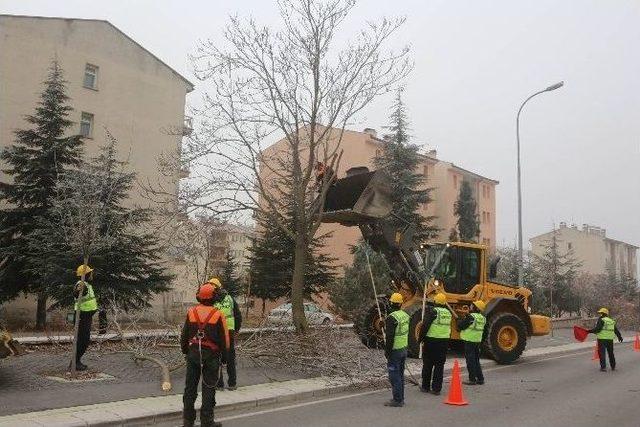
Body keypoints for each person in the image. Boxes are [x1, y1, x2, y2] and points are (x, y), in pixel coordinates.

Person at [180, 283, 229, 427]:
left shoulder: (191, 312)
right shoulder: (218, 314)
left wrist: (186, 351)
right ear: (215, 297)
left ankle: (188, 421)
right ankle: (207, 422)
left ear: (199, 296)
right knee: (208, 388)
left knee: (190, 388)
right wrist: (224, 359)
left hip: (193, 354)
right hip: (211, 356)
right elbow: (225, 339)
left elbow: (184, 336)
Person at [208, 277, 243, 391]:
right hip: (229, 331)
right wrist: (236, 329)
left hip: (216, 333)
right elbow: (238, 315)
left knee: (217, 357)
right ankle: (232, 384)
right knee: (230, 357)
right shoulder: (230, 298)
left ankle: (219, 384)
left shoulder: (211, 300)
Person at [420, 292, 451, 395]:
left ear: (435, 301)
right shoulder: (448, 313)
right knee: (439, 366)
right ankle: (436, 389)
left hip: (431, 341)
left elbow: (425, 326)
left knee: (428, 364)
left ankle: (425, 386)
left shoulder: (433, 312)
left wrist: (421, 338)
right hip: (443, 342)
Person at [384, 292, 410, 407]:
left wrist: (387, 352)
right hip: (403, 349)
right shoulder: (405, 315)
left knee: (394, 376)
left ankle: (397, 400)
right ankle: (401, 397)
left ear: (391, 303)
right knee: (400, 374)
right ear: (400, 304)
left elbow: (390, 337)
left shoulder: (392, 318)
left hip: (394, 351)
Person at [72, 264, 98, 371]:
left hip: (86, 316)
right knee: (83, 341)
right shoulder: (81, 284)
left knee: (84, 340)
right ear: (86, 274)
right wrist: (78, 291)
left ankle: (76, 362)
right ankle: (74, 363)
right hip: (81, 316)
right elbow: (77, 294)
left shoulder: (86, 284)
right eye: (90, 272)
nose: (92, 274)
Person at [457, 300, 486, 385]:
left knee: (470, 361)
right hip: (477, 341)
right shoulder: (483, 318)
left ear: (476, 308)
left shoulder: (471, 317)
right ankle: (480, 378)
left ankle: (472, 379)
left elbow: (461, 326)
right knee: (476, 360)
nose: (471, 307)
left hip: (469, 341)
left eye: (473, 306)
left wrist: (459, 320)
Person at [588, 307, 623, 372]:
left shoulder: (601, 320)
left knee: (602, 353)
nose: (600, 314)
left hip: (602, 339)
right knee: (611, 353)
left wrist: (589, 331)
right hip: (610, 339)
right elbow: (616, 330)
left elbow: (598, 329)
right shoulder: (611, 321)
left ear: (602, 314)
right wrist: (620, 337)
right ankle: (613, 366)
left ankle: (603, 367)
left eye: (600, 313)